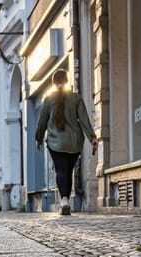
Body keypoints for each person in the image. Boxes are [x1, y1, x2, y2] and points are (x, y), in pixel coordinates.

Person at [35, 69, 98, 215]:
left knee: (61, 170)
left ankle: (64, 200)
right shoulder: (76, 98)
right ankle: (66, 200)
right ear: (67, 81)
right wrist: (92, 137)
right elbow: (84, 120)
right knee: (68, 171)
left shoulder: (49, 99)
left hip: (56, 142)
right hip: (74, 142)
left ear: (53, 82)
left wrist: (38, 138)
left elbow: (42, 122)